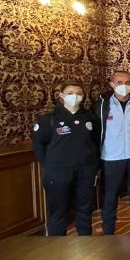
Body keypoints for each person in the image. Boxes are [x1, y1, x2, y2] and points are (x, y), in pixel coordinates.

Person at [32, 80, 99, 236]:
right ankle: (58, 247)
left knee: (85, 210)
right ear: (61, 96)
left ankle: (86, 244)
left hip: (86, 171)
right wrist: (49, 165)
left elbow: (96, 142)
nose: (75, 96)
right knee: (58, 212)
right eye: (70, 93)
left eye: (78, 93)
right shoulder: (49, 119)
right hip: (57, 172)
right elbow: (38, 145)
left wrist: (95, 166)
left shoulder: (90, 118)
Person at [93, 71, 130, 235]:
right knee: (110, 195)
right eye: (119, 82)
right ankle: (108, 230)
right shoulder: (102, 104)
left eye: (127, 82)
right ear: (112, 84)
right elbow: (96, 130)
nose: (123, 86)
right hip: (110, 158)